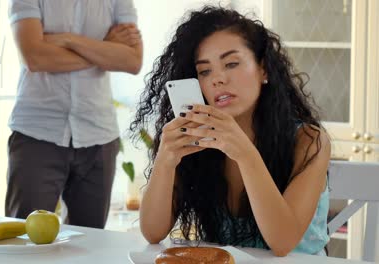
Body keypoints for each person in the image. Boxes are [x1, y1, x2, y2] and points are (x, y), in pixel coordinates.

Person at [131, 5, 331, 256]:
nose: (218, 79)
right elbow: (152, 232)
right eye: (205, 71)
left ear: (264, 69)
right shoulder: (197, 141)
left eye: (231, 63)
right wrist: (165, 160)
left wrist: (245, 154)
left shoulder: (309, 140)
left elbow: (282, 243)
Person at [5, 0, 143, 229]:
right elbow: (35, 58)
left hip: (99, 135)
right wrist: (104, 47)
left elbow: (132, 60)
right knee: (24, 239)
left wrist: (67, 39)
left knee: (90, 243)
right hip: (37, 133)